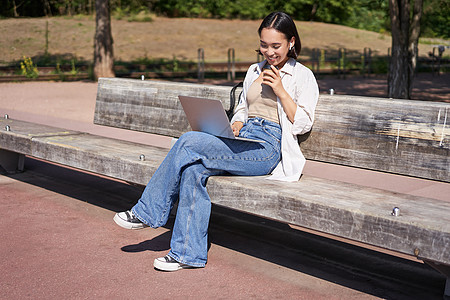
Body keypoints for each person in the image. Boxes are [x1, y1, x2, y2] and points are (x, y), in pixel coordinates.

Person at [113, 11, 319, 272]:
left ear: (291, 42)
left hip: (266, 149)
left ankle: (147, 212)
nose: (269, 52)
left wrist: (280, 89)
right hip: (242, 140)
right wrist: (237, 122)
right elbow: (244, 108)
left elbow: (303, 123)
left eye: (276, 46)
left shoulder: (302, 75)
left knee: (188, 141)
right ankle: (187, 254)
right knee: (193, 170)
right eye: (264, 45)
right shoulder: (254, 70)